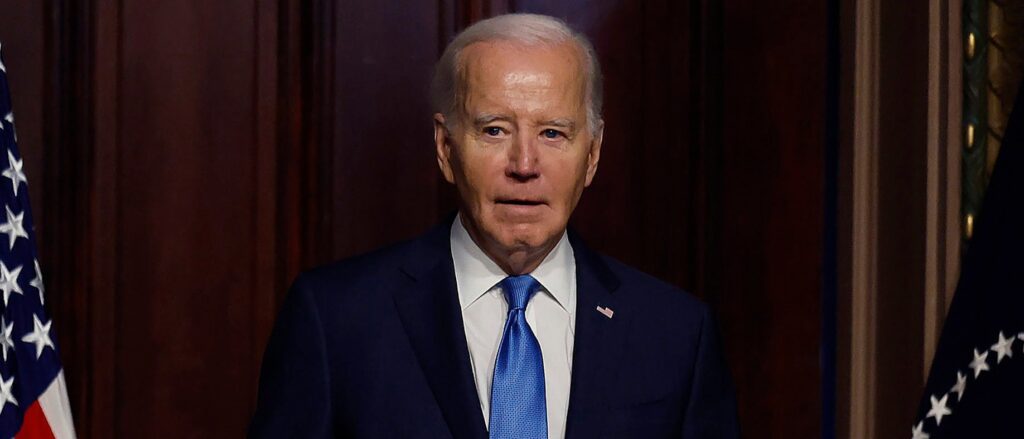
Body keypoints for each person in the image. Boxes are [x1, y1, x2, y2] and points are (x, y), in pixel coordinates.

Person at [249, 13, 739, 439]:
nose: (524, 163)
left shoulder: (676, 334)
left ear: (592, 155)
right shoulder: (336, 320)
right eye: (495, 130)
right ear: (445, 148)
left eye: (553, 133)